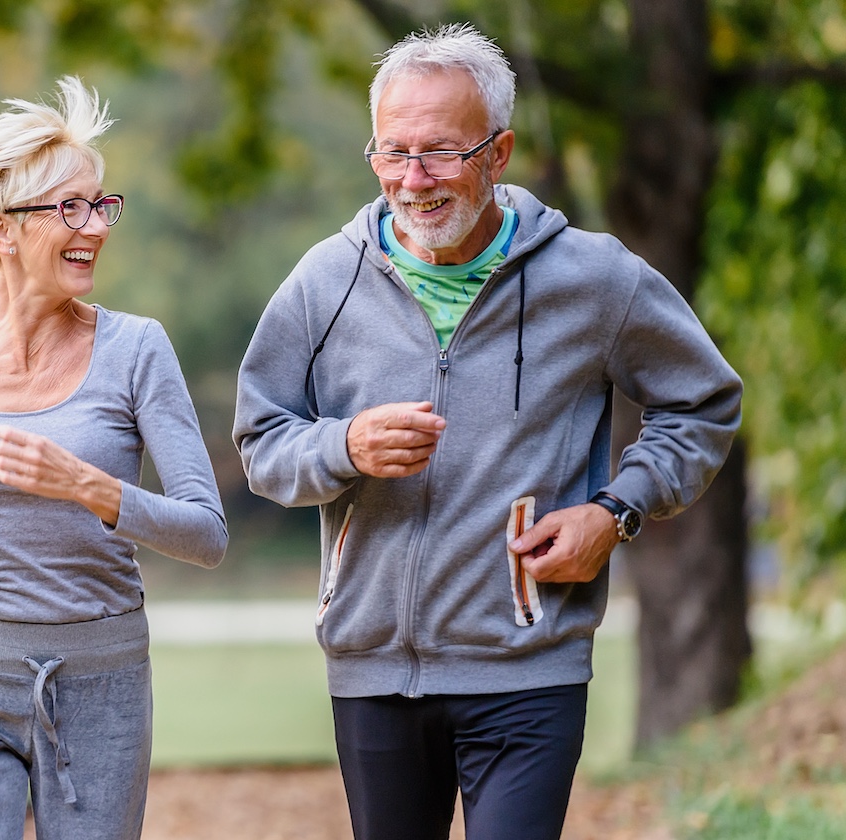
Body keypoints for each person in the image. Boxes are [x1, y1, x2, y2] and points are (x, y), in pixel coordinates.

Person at [233, 23, 740, 840]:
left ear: (498, 154)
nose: (413, 179)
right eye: (392, 153)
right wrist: (343, 448)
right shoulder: (324, 281)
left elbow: (703, 403)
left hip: (527, 664)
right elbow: (261, 440)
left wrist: (616, 513)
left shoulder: (594, 277)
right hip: (370, 670)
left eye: (440, 153)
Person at [0, 76, 227, 840]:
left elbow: (207, 532)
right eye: (70, 208)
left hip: (100, 682)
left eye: (100, 204)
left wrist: (92, 488)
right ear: (2, 231)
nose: (95, 224)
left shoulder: (136, 350)